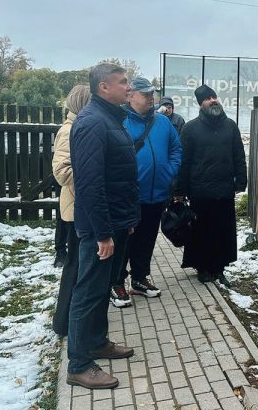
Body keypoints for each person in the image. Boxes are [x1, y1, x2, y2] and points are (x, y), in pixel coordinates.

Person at [66, 63, 140, 390]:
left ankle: (97, 342)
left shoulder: (113, 119)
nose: (129, 87)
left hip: (117, 222)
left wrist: (127, 222)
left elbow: (120, 176)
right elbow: (91, 184)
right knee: (87, 293)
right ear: (103, 88)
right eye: (123, 82)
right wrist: (103, 233)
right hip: (101, 229)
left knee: (101, 291)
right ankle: (79, 365)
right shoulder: (92, 123)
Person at [112, 77, 182, 305]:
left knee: (147, 239)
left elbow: (176, 148)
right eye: (145, 94)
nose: (151, 97)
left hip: (157, 194)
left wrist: (168, 172)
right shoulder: (120, 122)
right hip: (131, 195)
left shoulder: (162, 122)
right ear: (130, 95)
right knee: (125, 242)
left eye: (152, 93)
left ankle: (139, 279)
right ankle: (116, 283)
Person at [174, 84, 247, 284]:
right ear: (201, 104)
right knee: (202, 232)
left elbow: (239, 155)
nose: (213, 100)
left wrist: (241, 180)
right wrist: (180, 190)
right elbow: (184, 162)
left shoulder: (230, 125)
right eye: (208, 98)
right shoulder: (190, 128)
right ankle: (203, 268)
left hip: (224, 190)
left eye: (214, 96)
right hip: (200, 191)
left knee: (222, 231)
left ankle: (219, 268)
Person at [51, 84, 92, 337]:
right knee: (75, 266)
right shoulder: (69, 130)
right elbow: (63, 172)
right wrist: (95, 176)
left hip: (81, 207)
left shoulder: (80, 127)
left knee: (79, 266)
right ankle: (64, 322)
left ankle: (68, 320)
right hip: (77, 208)